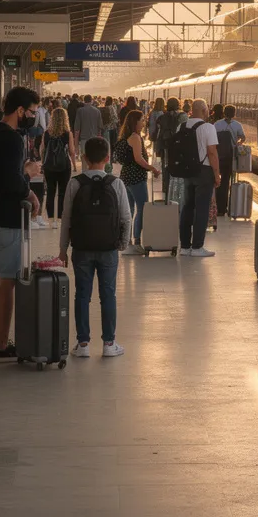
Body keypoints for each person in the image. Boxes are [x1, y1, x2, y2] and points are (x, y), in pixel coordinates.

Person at [0, 86, 42, 362]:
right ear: (20, 111)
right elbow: (12, 181)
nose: (33, 117)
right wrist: (29, 177)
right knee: (7, 282)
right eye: (32, 112)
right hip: (6, 219)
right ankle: (1, 346)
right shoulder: (13, 139)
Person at [58, 137, 131, 359]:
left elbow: (66, 219)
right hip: (108, 248)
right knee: (108, 295)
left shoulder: (75, 183)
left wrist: (63, 250)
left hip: (81, 248)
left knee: (82, 295)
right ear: (108, 158)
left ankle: (83, 344)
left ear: (84, 158)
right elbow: (127, 219)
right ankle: (109, 344)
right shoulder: (116, 183)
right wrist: (122, 244)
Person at [178, 99, 222, 257]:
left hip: (187, 172)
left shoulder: (182, 125)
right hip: (204, 171)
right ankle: (197, 247)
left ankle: (184, 246)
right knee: (202, 209)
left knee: (187, 207)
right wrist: (217, 175)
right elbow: (212, 152)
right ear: (204, 110)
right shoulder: (208, 127)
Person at [118, 110, 161, 254]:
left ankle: (127, 242)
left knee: (129, 210)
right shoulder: (135, 137)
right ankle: (136, 241)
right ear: (135, 122)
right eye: (142, 120)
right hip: (136, 177)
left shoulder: (127, 136)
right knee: (142, 209)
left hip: (126, 176)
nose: (144, 123)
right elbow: (138, 158)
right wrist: (153, 169)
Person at [42, 107, 77, 228]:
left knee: (50, 192)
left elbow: (43, 150)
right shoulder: (68, 134)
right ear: (65, 119)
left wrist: (43, 163)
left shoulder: (46, 133)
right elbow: (72, 151)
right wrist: (73, 164)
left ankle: (51, 221)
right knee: (62, 192)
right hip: (64, 166)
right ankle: (61, 219)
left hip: (49, 166)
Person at [213, 104, 246, 217]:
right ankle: (224, 208)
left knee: (216, 181)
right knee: (226, 182)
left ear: (224, 113)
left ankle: (216, 206)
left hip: (217, 156)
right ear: (234, 114)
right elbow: (243, 137)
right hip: (230, 157)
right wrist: (237, 144)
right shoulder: (237, 125)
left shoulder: (217, 124)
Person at [156, 97, 185, 192]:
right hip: (178, 147)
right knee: (177, 169)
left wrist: (158, 150)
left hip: (165, 146)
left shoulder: (162, 117)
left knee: (166, 168)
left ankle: (166, 189)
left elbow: (159, 135)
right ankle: (175, 190)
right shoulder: (182, 116)